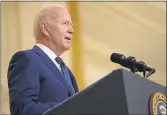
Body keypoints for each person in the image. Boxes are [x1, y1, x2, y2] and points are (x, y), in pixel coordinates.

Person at [7, 4, 79, 115]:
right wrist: (66, 109)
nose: (72, 30)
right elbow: (22, 109)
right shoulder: (27, 59)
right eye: (65, 23)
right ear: (45, 28)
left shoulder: (66, 71)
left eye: (71, 25)